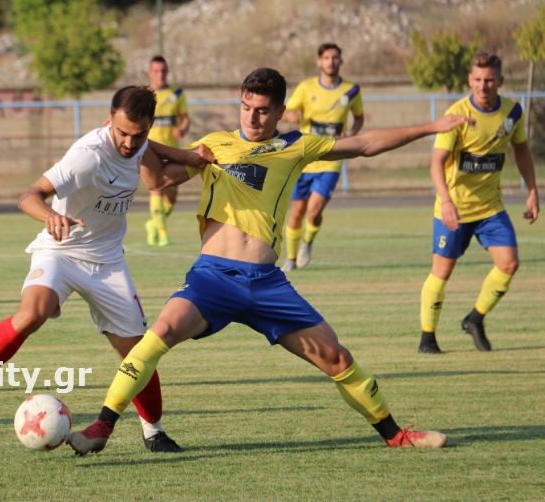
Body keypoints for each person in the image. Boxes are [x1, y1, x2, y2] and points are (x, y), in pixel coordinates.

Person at [67, 67, 467, 456]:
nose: (252, 117)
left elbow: (363, 144)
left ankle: (396, 435)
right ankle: (101, 427)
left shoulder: (296, 146)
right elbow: (157, 181)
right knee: (160, 333)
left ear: (280, 112)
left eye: (261, 110)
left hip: (266, 283)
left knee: (337, 358)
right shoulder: (215, 144)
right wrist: (139, 139)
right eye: (246, 107)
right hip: (213, 277)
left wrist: (431, 127)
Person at [0, 86, 214, 453]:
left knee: (138, 354)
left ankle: (154, 432)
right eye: (121, 133)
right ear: (109, 119)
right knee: (33, 313)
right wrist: (50, 216)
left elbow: (154, 166)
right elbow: (28, 196)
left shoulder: (139, 143)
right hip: (59, 250)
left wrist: (190, 157)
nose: (128, 143)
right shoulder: (86, 156)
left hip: (107, 263)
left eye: (137, 135)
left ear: (149, 126)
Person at [417, 53, 539, 354]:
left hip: (490, 208)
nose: (483, 86)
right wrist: (446, 201)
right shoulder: (456, 115)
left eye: (489, 80)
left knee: (509, 264)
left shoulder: (512, 113)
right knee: (442, 272)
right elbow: (436, 163)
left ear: (500, 81)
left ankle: (475, 318)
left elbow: (522, 151)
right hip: (454, 208)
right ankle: (427, 338)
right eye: (477, 80)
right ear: (470, 81)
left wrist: (532, 190)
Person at [281, 43, 364, 271]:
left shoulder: (351, 90)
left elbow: (359, 117)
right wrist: (291, 116)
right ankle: (290, 258)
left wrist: (351, 134)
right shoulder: (306, 87)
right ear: (319, 62)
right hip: (305, 158)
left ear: (341, 61)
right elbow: (287, 111)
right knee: (297, 211)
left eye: (335, 58)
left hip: (331, 158)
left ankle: (307, 242)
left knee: (315, 210)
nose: (331, 62)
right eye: (326, 58)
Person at [144, 56, 191, 247]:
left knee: (171, 196)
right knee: (156, 188)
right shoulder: (145, 95)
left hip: (171, 150)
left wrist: (183, 129)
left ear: (167, 71)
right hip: (150, 150)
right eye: (156, 71)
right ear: (150, 72)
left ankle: (153, 224)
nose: (160, 74)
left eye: (163, 70)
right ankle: (162, 234)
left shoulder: (176, 94)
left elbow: (185, 118)